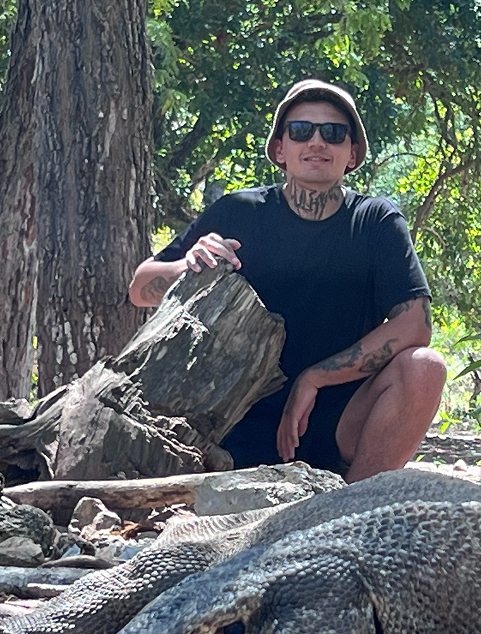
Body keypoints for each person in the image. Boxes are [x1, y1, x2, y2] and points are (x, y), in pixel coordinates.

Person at [129, 79, 446, 483]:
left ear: (352, 154)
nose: (317, 142)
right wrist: (186, 265)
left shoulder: (376, 222)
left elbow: (415, 325)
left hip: (340, 421)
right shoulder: (237, 212)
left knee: (425, 368)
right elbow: (140, 288)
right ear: (280, 149)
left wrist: (312, 378)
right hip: (231, 420)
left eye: (333, 133)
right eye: (301, 131)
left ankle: (353, 509)